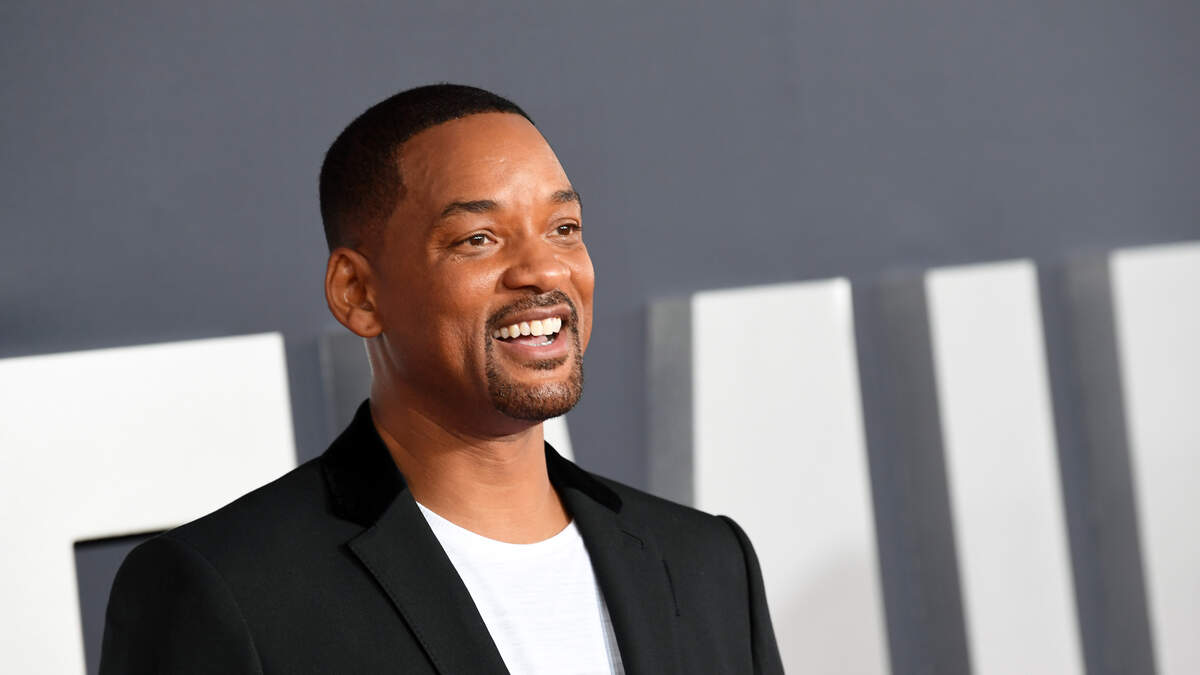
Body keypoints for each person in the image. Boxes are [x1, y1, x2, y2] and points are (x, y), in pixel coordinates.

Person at [99, 84, 783, 674]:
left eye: (564, 227)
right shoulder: (230, 588)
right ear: (357, 293)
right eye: (478, 238)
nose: (545, 270)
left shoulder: (706, 563)